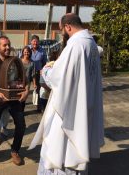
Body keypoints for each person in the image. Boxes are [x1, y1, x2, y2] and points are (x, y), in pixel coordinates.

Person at [29, 13, 104, 175]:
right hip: (84, 102)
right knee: (77, 145)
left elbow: (58, 78)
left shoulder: (75, 45)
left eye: (62, 29)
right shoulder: (91, 43)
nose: (62, 33)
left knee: (61, 149)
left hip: (70, 107)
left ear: (68, 27)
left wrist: (46, 70)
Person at [0, 36, 28, 166]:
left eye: (8, 45)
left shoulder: (14, 61)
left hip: (14, 99)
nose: (7, 47)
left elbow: (25, 80)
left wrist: (25, 91)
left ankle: (15, 151)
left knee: (21, 125)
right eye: (4, 45)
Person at [29, 35, 47, 113]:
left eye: (36, 41)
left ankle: (39, 107)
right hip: (28, 72)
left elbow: (44, 62)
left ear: (38, 42)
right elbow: (21, 58)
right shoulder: (27, 49)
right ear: (31, 42)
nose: (35, 43)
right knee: (25, 88)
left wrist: (42, 69)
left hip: (38, 73)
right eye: (34, 41)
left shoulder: (42, 50)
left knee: (39, 89)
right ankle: (20, 106)